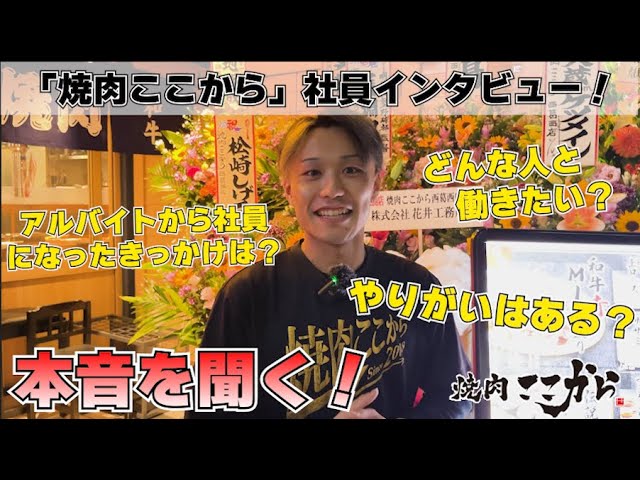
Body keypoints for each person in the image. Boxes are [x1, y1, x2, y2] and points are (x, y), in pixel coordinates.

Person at [187, 116, 472, 419]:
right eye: (312, 172)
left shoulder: (416, 286)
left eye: (351, 170)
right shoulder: (247, 296)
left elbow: (457, 394)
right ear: (288, 189)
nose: (331, 190)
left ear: (375, 183)